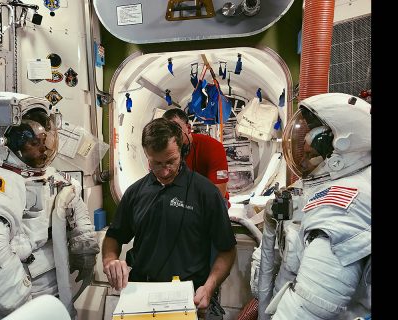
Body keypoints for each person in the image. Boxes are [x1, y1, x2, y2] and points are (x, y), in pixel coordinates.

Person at [0, 92, 100, 320]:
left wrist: (84, 244)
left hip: (55, 284)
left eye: (45, 140)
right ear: (5, 144)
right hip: (18, 301)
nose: (44, 149)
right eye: (33, 143)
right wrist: (24, 307)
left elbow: (71, 198)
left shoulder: (47, 176)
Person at [250, 92, 371, 320]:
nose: (304, 159)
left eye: (311, 154)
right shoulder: (323, 182)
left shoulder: (343, 204)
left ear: (339, 149)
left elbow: (309, 308)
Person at [101, 117, 237, 319]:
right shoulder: (135, 193)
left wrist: (209, 288)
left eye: (171, 161)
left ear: (182, 152)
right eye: (156, 163)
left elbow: (227, 250)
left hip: (188, 296)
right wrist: (110, 260)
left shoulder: (206, 193)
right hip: (140, 293)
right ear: (147, 156)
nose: (164, 171)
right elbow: (114, 236)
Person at [162, 108, 230, 205]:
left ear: (188, 128)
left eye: (175, 128)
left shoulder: (214, 147)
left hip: (211, 201)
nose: (171, 135)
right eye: (166, 131)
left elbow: (218, 193)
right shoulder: (163, 152)